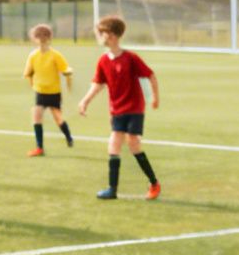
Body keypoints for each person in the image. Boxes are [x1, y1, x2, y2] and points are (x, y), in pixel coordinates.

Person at [76, 16, 161, 201]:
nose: (100, 37)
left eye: (102, 33)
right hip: (117, 110)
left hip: (134, 108)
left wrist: (155, 97)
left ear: (112, 36)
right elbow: (98, 84)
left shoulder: (131, 58)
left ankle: (154, 183)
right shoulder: (103, 60)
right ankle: (112, 189)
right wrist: (85, 101)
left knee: (133, 143)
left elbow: (150, 75)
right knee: (114, 145)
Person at [23, 23, 76, 156]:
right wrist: (32, 83)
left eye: (44, 35)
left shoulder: (55, 55)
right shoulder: (33, 55)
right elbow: (28, 72)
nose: (41, 38)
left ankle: (68, 137)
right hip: (40, 92)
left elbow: (65, 70)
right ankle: (39, 148)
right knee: (36, 116)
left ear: (49, 37)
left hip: (54, 92)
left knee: (58, 117)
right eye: (38, 35)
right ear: (34, 38)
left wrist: (68, 74)